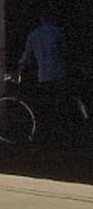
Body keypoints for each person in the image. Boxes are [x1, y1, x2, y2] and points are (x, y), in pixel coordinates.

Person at [15, 9, 68, 143]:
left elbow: (25, 56)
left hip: (43, 75)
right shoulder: (57, 32)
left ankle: (46, 135)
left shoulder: (33, 35)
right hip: (59, 73)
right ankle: (61, 135)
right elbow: (64, 51)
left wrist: (18, 71)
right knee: (59, 105)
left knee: (45, 106)